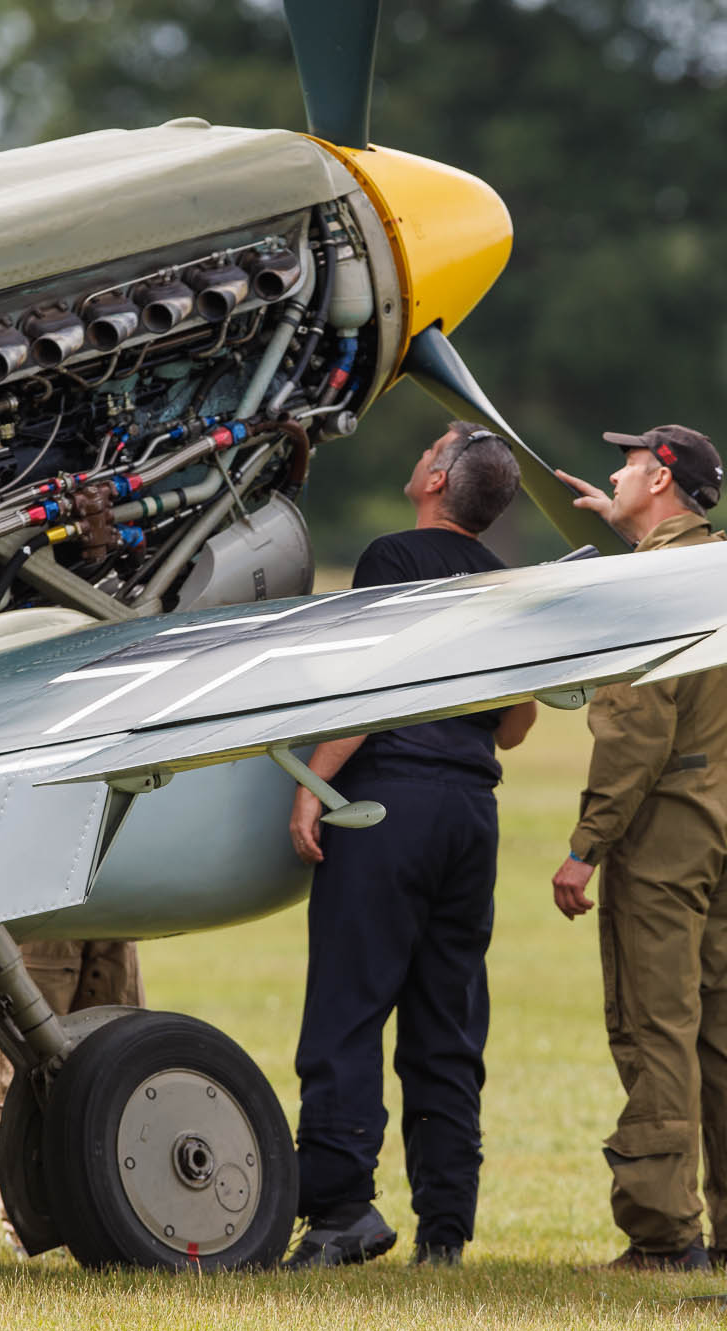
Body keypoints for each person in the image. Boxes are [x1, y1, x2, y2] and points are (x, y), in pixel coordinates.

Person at [282, 421, 538, 1269]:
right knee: (447, 1019)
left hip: (389, 805)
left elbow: (373, 684)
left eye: (427, 447)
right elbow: (515, 723)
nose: (418, 453)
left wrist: (314, 788)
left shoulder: (393, 558)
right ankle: (446, 1231)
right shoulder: (506, 584)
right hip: (471, 814)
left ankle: (342, 1209)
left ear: (436, 480)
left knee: (348, 1013)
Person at [548, 424, 727, 1273]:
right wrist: (631, 538)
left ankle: (661, 1233)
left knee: (657, 1026)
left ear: (659, 476)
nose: (612, 471)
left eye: (626, 464)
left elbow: (636, 728)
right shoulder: (723, 566)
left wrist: (586, 846)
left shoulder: (651, 584)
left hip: (666, 829)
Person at [0, 939, 143, 1253]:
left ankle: (118, 1219)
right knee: (22, 1079)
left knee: (124, 1068)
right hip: (44, 919)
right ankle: (28, 1231)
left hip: (115, 919)